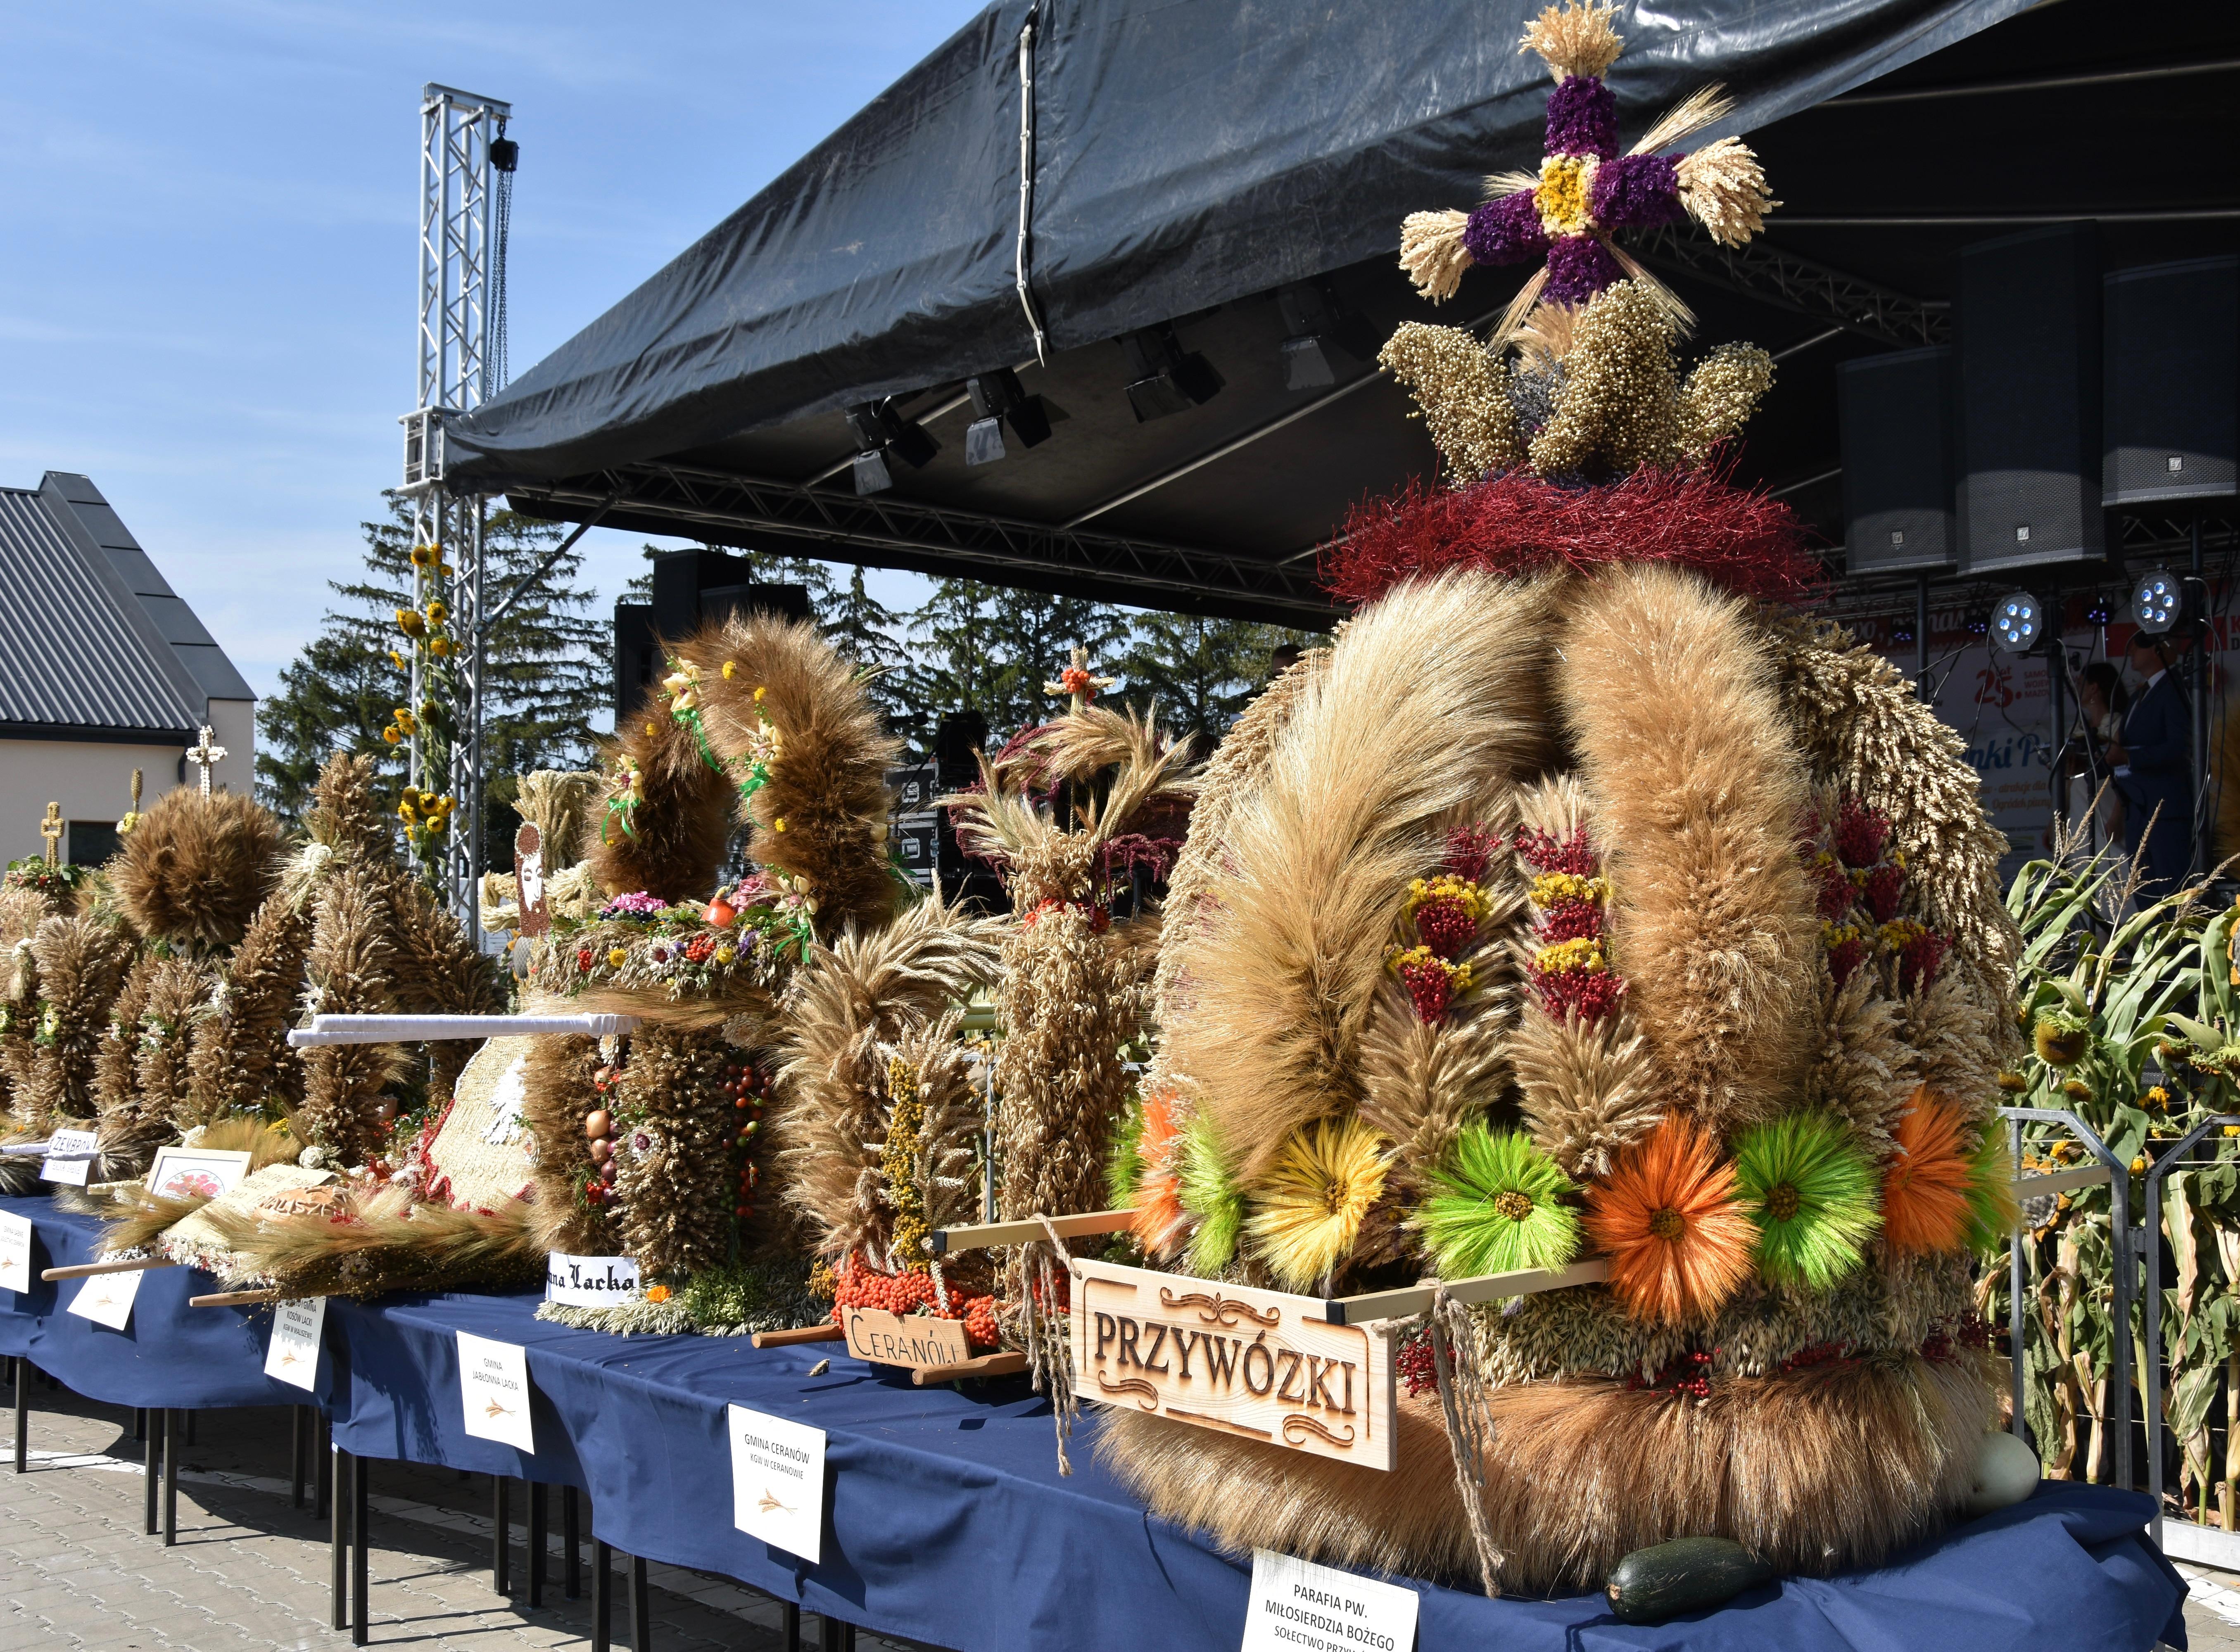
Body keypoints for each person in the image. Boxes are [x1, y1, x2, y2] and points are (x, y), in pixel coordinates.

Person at [2107, 631, 2193, 898]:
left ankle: (2177, 942)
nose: (2130, 650)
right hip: (2139, 808)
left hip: (2165, 810)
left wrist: (2131, 757)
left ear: (2157, 649)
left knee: (2171, 893)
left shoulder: (2174, 689)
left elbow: (2182, 746)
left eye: (2137, 645)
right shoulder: (2141, 694)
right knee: (2144, 894)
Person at [2064, 661, 2126, 853]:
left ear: (2094, 688)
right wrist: (2055, 821)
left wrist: (2117, 817)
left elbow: (2126, 774)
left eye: (2081, 682)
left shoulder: (2119, 724)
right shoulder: (2077, 729)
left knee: (2113, 863)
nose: (2076, 688)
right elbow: (2068, 781)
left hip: (2107, 805)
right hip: (2079, 810)